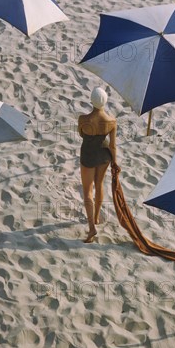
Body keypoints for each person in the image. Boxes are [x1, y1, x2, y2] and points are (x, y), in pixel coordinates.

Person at [78, 87, 117, 243]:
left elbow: (81, 134)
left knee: (87, 190)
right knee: (99, 184)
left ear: (91, 101)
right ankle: (96, 217)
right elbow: (113, 145)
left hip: (88, 153)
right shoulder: (112, 121)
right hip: (104, 154)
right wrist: (115, 161)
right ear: (105, 101)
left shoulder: (83, 119)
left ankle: (91, 227)